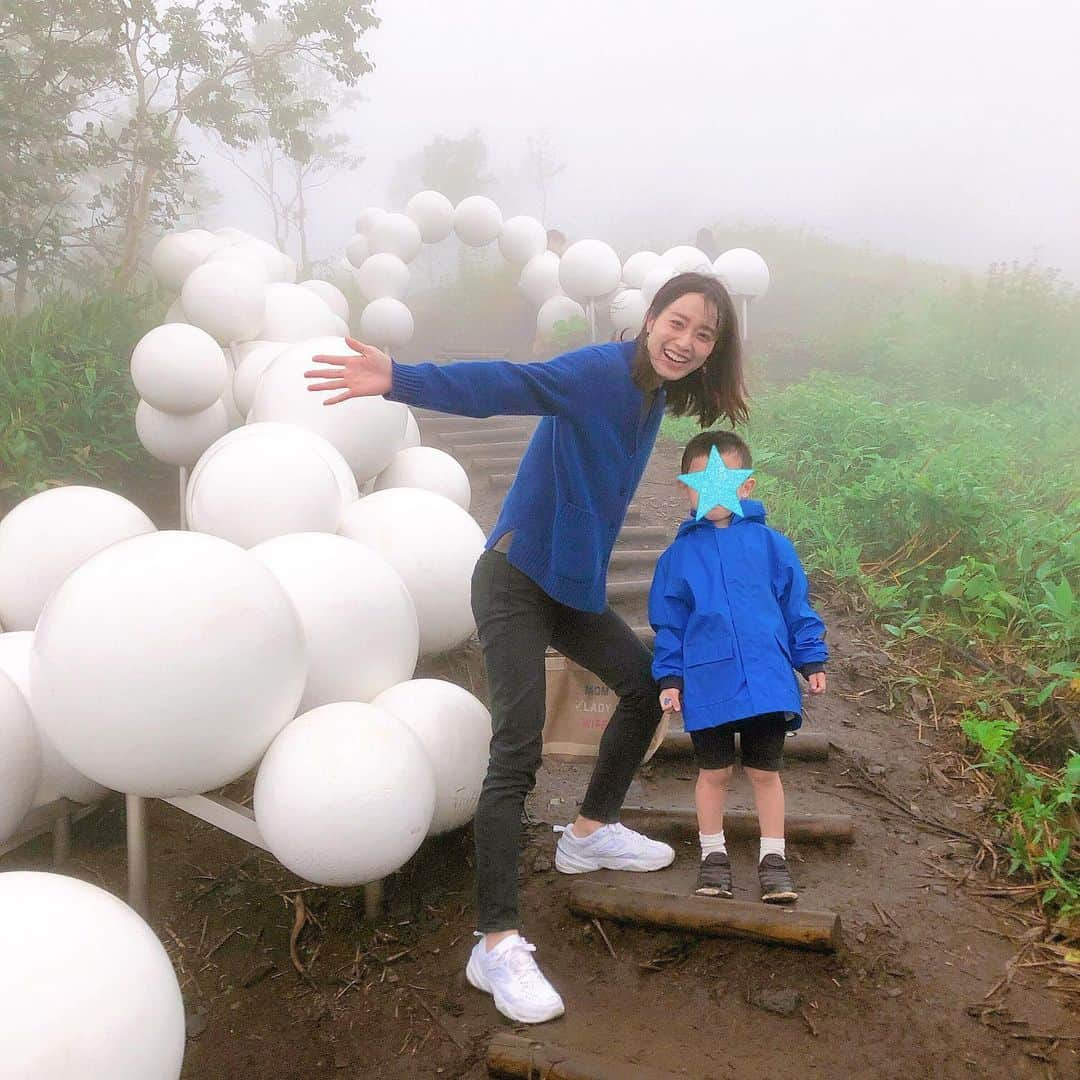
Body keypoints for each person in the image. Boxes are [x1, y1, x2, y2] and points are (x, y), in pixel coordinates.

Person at [305, 272, 747, 1024]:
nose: (686, 343)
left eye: (704, 335)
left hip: (571, 591)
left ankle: (589, 832)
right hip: (513, 579)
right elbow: (506, 382)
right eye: (677, 323)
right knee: (517, 751)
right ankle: (495, 941)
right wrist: (398, 377)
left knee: (643, 689)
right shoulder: (599, 372)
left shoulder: (653, 393)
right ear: (649, 319)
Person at [648, 430, 828, 905]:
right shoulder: (679, 556)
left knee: (765, 773)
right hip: (709, 680)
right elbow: (670, 622)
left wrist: (810, 657)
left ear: (746, 486)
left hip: (767, 679)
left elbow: (796, 605)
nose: (712, 493)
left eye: (725, 480)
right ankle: (713, 857)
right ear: (686, 488)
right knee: (715, 772)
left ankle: (774, 859)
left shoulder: (772, 545)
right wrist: (670, 676)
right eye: (699, 483)